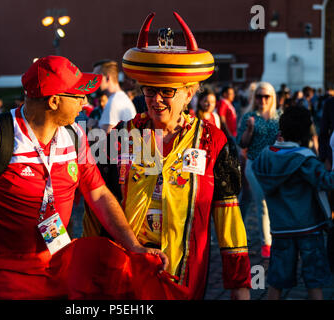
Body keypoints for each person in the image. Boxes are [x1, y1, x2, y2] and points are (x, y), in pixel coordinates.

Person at [0, 56, 167, 300]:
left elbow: (98, 193)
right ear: (54, 100)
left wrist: (133, 246)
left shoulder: (76, 135)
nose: (85, 104)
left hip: (55, 274)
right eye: (78, 95)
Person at [83, 12, 251, 300]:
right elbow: (97, 207)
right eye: (149, 90)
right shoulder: (120, 138)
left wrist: (239, 286)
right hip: (126, 278)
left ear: (189, 94)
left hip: (183, 279)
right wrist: (89, 273)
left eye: (166, 91)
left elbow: (229, 217)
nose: (155, 99)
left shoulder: (214, 142)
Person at [252, 106, 332, 300]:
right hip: (309, 228)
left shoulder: (265, 155)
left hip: (280, 229)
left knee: (276, 281)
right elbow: (326, 181)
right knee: (314, 282)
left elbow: (254, 166)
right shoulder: (304, 159)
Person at [237, 81, 280, 258]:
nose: (262, 99)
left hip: (275, 166)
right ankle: (266, 244)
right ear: (255, 98)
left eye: (266, 96)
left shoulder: (279, 116)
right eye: (259, 96)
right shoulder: (249, 116)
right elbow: (241, 142)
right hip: (254, 164)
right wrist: (250, 130)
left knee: (275, 203)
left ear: (272, 98)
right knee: (262, 203)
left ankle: (276, 239)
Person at [92, 60, 136, 133]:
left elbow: (105, 137)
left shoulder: (114, 102)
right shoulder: (119, 98)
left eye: (96, 77)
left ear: (107, 78)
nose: (94, 81)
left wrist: (92, 126)